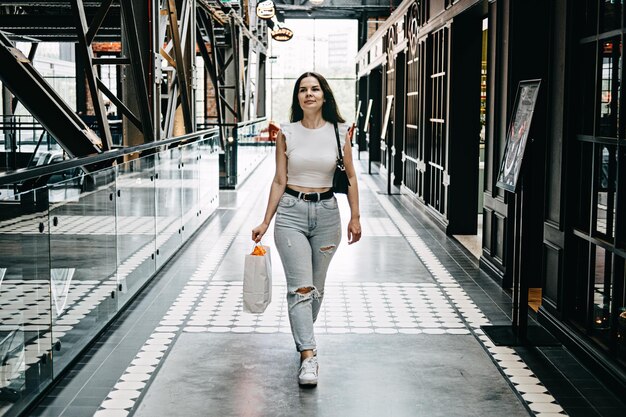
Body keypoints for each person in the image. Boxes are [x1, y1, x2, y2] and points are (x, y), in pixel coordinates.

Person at [252, 72, 362, 387]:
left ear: (324, 96)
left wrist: (355, 216)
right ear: (297, 98)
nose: (308, 94)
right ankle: (309, 356)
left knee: (316, 290)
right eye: (303, 90)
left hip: (328, 216)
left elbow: (351, 177)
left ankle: (303, 333)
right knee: (300, 289)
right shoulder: (286, 133)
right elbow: (278, 180)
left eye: (314, 89)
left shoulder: (340, 132)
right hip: (291, 214)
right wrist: (265, 221)